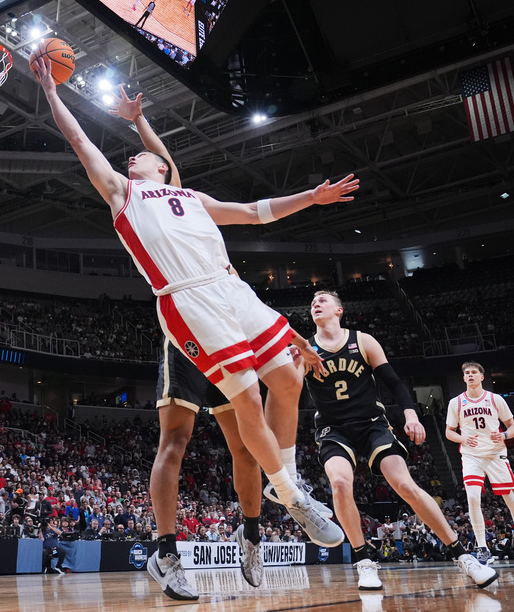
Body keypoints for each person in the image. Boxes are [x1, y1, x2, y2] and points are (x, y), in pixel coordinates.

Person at [33, 63, 349, 600]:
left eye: (142, 154)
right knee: (197, 429)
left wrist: (308, 199)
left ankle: (277, 496)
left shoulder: (187, 197)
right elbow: (80, 139)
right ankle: (197, 537)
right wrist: (49, 91)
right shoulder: (122, 193)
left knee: (288, 382)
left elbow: (251, 210)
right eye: (135, 156)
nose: (135, 157)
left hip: (231, 295)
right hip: (187, 304)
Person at [300, 290, 499, 590]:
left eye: (323, 300)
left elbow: (393, 382)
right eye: (313, 301)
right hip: (333, 429)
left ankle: (463, 556)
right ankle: (364, 562)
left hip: (372, 424)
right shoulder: (304, 349)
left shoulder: (362, 341)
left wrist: (411, 415)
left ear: (339, 310)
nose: (316, 303)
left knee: (405, 485)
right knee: (340, 483)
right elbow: (288, 392)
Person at [445, 361, 514, 569]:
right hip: (471, 456)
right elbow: (449, 432)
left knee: (512, 500)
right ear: (463, 378)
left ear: (482, 377)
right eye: (467, 373)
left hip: (495, 455)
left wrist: (503, 435)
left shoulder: (495, 399)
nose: (470, 375)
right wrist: (462, 439)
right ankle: (482, 548)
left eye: (474, 372)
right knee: (473, 497)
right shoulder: (456, 402)